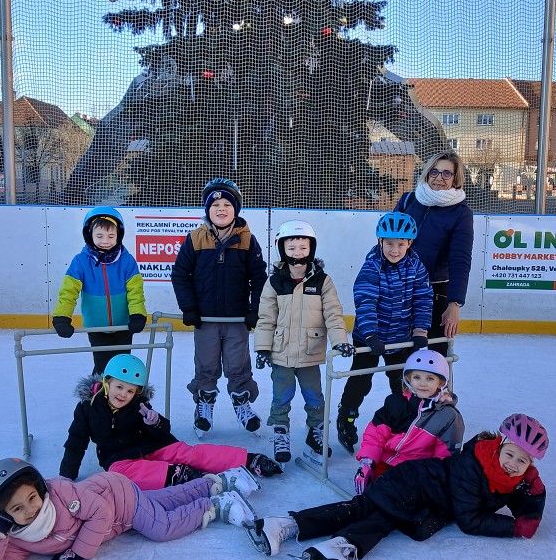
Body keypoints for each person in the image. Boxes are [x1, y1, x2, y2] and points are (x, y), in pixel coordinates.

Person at [247, 413, 549, 560]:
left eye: (522, 461)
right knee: (377, 516)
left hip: (419, 493)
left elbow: (516, 503)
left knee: (366, 511)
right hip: (411, 484)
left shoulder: (510, 476)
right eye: (510, 454)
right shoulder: (475, 465)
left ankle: (288, 526)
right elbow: (469, 519)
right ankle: (334, 542)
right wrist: (513, 528)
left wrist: (534, 492)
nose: (513, 464)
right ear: (499, 445)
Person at [0, 456, 256, 560]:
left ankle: (217, 505)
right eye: (17, 509)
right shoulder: (20, 537)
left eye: (31, 498)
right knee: (165, 501)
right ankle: (217, 483)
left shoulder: (60, 494)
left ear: (39, 489)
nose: (29, 510)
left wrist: (78, 552)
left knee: (161, 526)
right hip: (119, 513)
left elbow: (101, 512)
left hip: (117, 496)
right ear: (3, 516)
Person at [60, 354, 282, 491]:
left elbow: (163, 431)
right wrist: (67, 475)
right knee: (119, 477)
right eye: (119, 387)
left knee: (191, 454)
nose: (123, 394)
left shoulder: (138, 404)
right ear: (107, 382)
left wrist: (154, 422)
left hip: (154, 445)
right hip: (119, 458)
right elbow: (75, 442)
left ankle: (248, 459)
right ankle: (176, 474)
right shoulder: (87, 408)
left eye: (130, 390)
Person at [254, 220, 356, 466]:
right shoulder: (274, 282)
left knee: (314, 397)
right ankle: (281, 432)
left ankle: (316, 432)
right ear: (282, 249)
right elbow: (266, 318)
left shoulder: (322, 281)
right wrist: (262, 348)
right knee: (282, 396)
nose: (297, 253)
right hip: (281, 354)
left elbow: (333, 313)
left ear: (311, 248)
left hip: (310, 353)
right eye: (291, 248)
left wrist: (340, 341)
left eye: (303, 247)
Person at [171, 178, 268, 437]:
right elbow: (180, 274)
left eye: (227, 204)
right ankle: (204, 405)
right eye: (215, 205)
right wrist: (189, 307)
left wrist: (254, 309)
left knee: (238, 364)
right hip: (205, 319)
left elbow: (259, 277)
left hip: (237, 319)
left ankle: (242, 402)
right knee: (206, 364)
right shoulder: (195, 239)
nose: (221, 209)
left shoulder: (247, 240)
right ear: (207, 210)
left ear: (236, 209)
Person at [335, 211, 433, 453]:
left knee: (401, 383)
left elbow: (423, 298)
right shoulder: (372, 266)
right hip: (369, 338)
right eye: (389, 244)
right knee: (360, 380)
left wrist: (420, 330)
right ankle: (346, 416)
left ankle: (404, 421)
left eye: (401, 244)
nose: (395, 250)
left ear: (410, 243)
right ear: (380, 241)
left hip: (400, 338)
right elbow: (365, 300)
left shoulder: (416, 267)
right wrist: (370, 334)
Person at [353, 349, 464, 495]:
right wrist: (367, 461)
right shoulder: (395, 403)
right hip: (385, 461)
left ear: (441, 382)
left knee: (393, 497)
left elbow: (445, 455)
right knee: (373, 492)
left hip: (416, 469)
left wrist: (432, 480)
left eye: (430, 378)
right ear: (408, 379)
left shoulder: (448, 417)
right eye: (417, 377)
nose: (422, 383)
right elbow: (375, 435)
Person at [52, 207, 147, 376]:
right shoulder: (81, 261)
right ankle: (97, 391)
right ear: (90, 235)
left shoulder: (126, 261)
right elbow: (68, 292)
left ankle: (121, 392)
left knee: (122, 366)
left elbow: (135, 292)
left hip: (123, 326)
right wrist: (62, 317)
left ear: (119, 235)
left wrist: (137, 314)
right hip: (97, 327)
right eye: (99, 236)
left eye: (111, 236)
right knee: (103, 367)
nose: (105, 241)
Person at [394, 151, 474, 351]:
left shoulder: (461, 213)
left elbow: (460, 260)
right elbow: (388, 243)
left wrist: (454, 304)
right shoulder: (408, 200)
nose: (439, 177)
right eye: (434, 171)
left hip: (435, 293)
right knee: (399, 357)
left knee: (436, 360)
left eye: (447, 173)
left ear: (455, 179)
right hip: (400, 288)